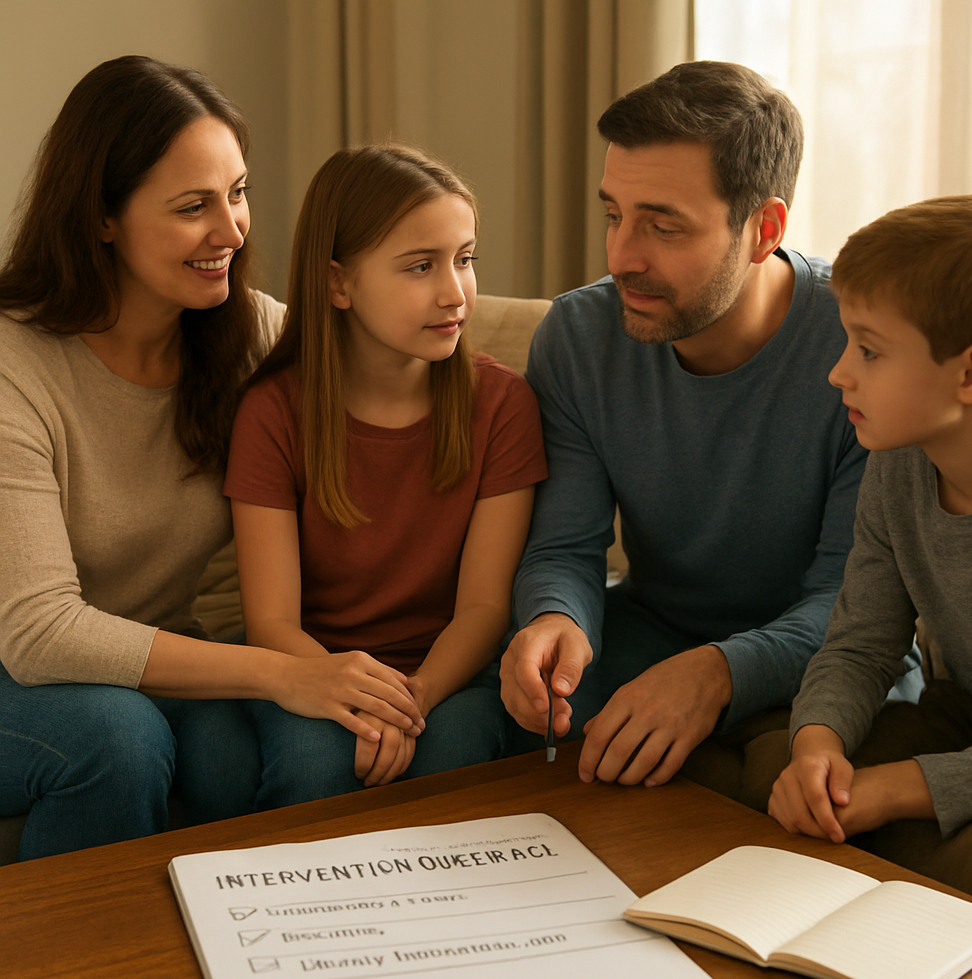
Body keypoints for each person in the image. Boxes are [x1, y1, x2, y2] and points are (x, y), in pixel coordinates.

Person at [0, 57, 424, 860]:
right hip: (18, 670)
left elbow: (392, 370)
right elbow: (39, 634)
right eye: (193, 206)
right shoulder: (13, 364)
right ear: (102, 217)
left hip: (153, 648)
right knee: (117, 739)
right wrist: (281, 671)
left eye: (238, 193)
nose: (232, 231)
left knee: (237, 760)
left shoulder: (249, 335)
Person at [500, 61, 879, 795]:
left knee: (790, 781)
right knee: (517, 723)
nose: (621, 258)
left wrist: (718, 673)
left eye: (663, 226)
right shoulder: (578, 337)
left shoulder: (865, 348)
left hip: (828, 658)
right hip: (652, 635)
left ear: (764, 229)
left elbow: (855, 606)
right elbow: (565, 546)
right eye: (614, 215)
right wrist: (554, 619)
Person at [223, 145, 546, 806]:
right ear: (338, 284)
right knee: (314, 765)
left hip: (447, 671)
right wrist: (363, 700)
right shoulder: (273, 411)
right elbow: (272, 623)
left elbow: (485, 607)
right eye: (421, 266)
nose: (454, 292)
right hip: (312, 667)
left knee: (453, 754)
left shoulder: (503, 405)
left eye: (464, 259)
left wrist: (412, 699)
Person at [767, 195, 972, 915]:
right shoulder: (898, 464)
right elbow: (861, 643)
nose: (838, 373)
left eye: (870, 351)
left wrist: (900, 789)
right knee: (779, 769)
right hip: (968, 718)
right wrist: (817, 748)